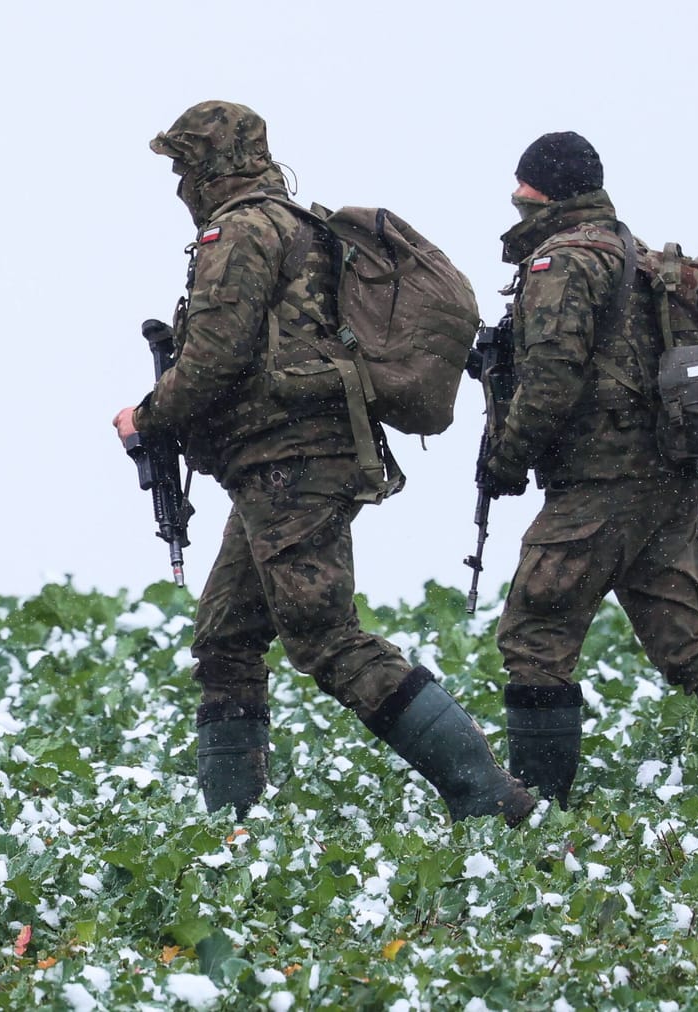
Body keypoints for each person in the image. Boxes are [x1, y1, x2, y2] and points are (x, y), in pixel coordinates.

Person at [113, 101, 533, 825]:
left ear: (210, 166)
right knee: (226, 638)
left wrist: (145, 417)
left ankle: (488, 795)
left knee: (325, 635)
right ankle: (230, 829)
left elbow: (215, 355)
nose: (180, 183)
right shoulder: (295, 223)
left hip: (290, 463)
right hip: (283, 465)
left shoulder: (240, 230)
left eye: (184, 166)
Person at [480, 131, 698, 807]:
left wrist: (507, 457)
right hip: (665, 479)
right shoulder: (630, 254)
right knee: (686, 637)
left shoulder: (563, 263)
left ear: (536, 191)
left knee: (535, 632)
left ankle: (536, 808)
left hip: (600, 483)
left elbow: (551, 381)